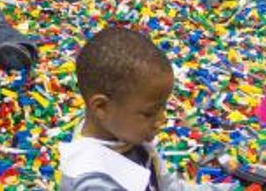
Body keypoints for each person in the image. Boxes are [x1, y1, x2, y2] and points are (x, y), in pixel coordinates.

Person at [60, 27, 238, 190]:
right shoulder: (93, 180)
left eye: (163, 107)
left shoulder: (127, 135)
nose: (161, 120)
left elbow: (169, 187)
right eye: (149, 113)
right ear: (101, 107)